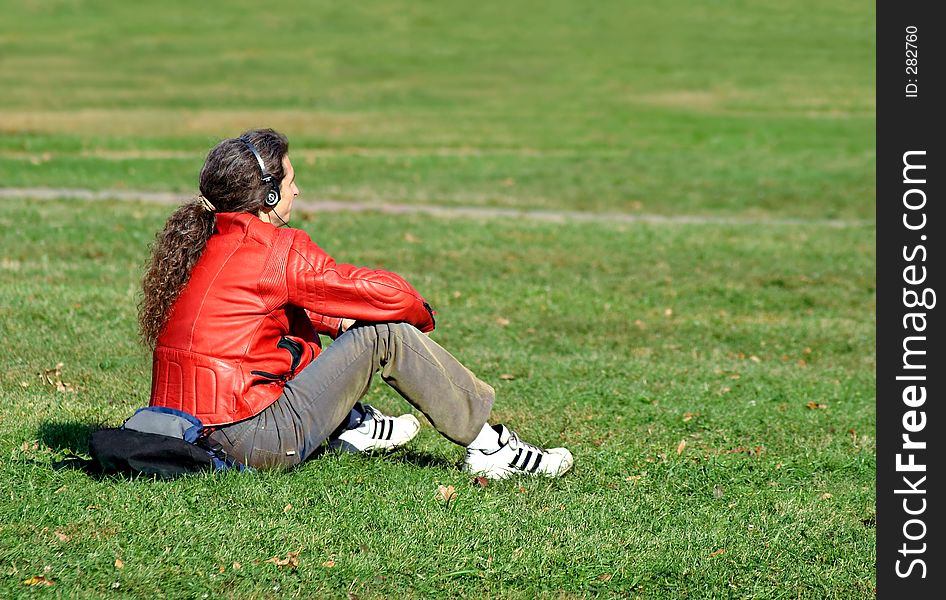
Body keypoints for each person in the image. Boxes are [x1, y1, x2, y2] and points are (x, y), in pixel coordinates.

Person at [138, 128, 573, 479]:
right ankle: (490, 447)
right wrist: (419, 315)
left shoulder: (201, 241)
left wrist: (339, 323)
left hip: (187, 429)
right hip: (253, 438)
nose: (298, 190)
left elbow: (282, 306)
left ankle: (351, 422)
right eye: (291, 181)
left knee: (295, 319)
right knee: (384, 333)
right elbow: (390, 298)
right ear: (268, 196)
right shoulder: (274, 249)